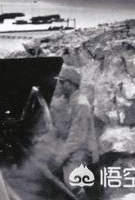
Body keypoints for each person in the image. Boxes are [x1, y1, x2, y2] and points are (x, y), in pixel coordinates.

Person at [53, 68, 99, 198]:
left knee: (72, 182)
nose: (59, 86)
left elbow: (77, 137)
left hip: (82, 152)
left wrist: (61, 157)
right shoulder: (70, 101)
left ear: (70, 84)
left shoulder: (81, 104)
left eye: (61, 82)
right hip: (74, 148)